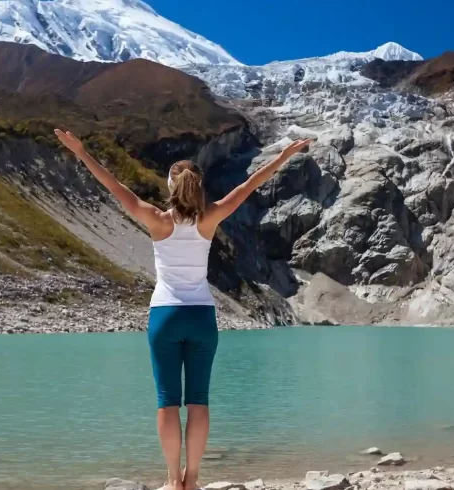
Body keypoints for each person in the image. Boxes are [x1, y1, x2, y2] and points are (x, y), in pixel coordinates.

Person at [55, 129, 311, 490]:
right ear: (198, 185)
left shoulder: (156, 219)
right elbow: (253, 183)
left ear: (171, 186)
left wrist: (81, 151)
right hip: (202, 316)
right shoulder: (211, 218)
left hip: (165, 315)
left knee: (167, 402)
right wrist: (285, 155)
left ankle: (173, 479)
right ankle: (193, 479)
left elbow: (112, 186)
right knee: (199, 402)